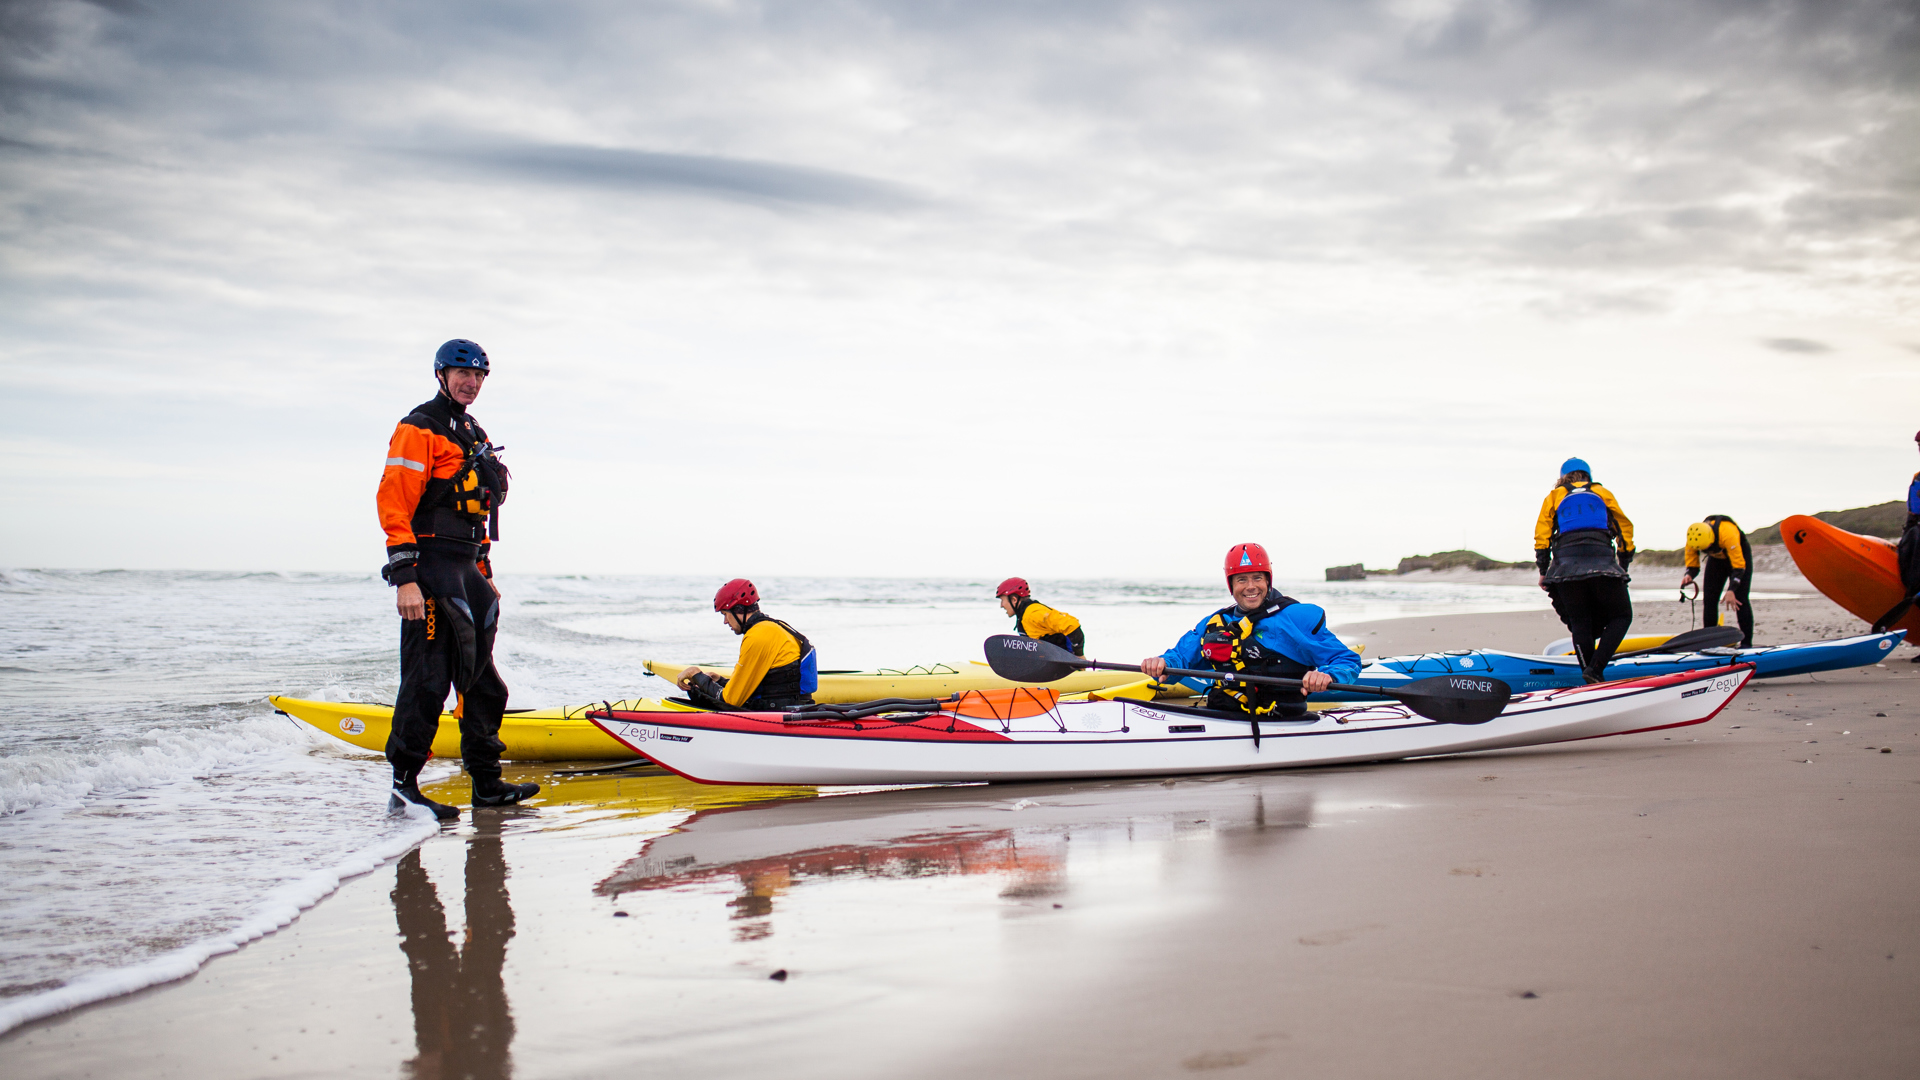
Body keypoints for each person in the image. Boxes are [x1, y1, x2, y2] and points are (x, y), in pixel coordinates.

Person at [378, 338, 538, 821]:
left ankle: (486, 784)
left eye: (479, 376)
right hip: (430, 567)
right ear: (441, 375)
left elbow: (479, 511)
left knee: (483, 683)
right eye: (461, 374)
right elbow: (394, 503)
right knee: (427, 681)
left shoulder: (472, 431)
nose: (470, 382)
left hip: (469, 569)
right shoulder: (419, 427)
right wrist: (405, 578)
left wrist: (482, 576)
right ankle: (405, 788)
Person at [1140, 543, 1361, 718]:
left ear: (1268, 581)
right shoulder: (1215, 623)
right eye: (1241, 579)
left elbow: (1346, 659)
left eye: (1257, 578)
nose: (1250, 586)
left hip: (1282, 719)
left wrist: (1327, 675)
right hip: (1224, 716)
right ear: (1231, 585)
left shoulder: (1296, 619)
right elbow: (1180, 657)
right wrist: (1162, 664)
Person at [1534, 457, 1636, 683]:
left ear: (1562, 477)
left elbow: (1542, 536)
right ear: (1587, 475)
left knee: (1581, 622)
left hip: (1566, 567)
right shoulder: (1601, 492)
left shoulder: (1555, 496)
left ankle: (1590, 674)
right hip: (1601, 562)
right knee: (1622, 616)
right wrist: (1623, 564)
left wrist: (1543, 570)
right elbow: (1624, 528)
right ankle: (1596, 669)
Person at [675, 579, 819, 710]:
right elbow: (762, 685)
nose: (725, 621)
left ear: (738, 609)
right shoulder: (774, 626)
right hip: (795, 706)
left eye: (725, 614)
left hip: (780, 715)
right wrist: (720, 681)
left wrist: (696, 674)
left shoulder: (757, 635)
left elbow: (730, 700)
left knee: (697, 692)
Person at [1681, 516, 1753, 647]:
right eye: (1704, 550)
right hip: (1716, 560)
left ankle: (1747, 643)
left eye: (1707, 548)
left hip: (1740, 557)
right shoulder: (1693, 539)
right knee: (1709, 600)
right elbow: (1692, 563)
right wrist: (1689, 575)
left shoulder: (1728, 533)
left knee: (1740, 599)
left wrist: (1732, 589)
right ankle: (1709, 643)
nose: (1706, 551)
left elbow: (1739, 567)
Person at [995, 577, 1085, 656]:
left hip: (1064, 667)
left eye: (1002, 600)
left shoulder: (1034, 613)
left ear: (1014, 600)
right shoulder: (1024, 614)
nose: (1001, 605)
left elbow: (1072, 625)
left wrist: (1079, 655)